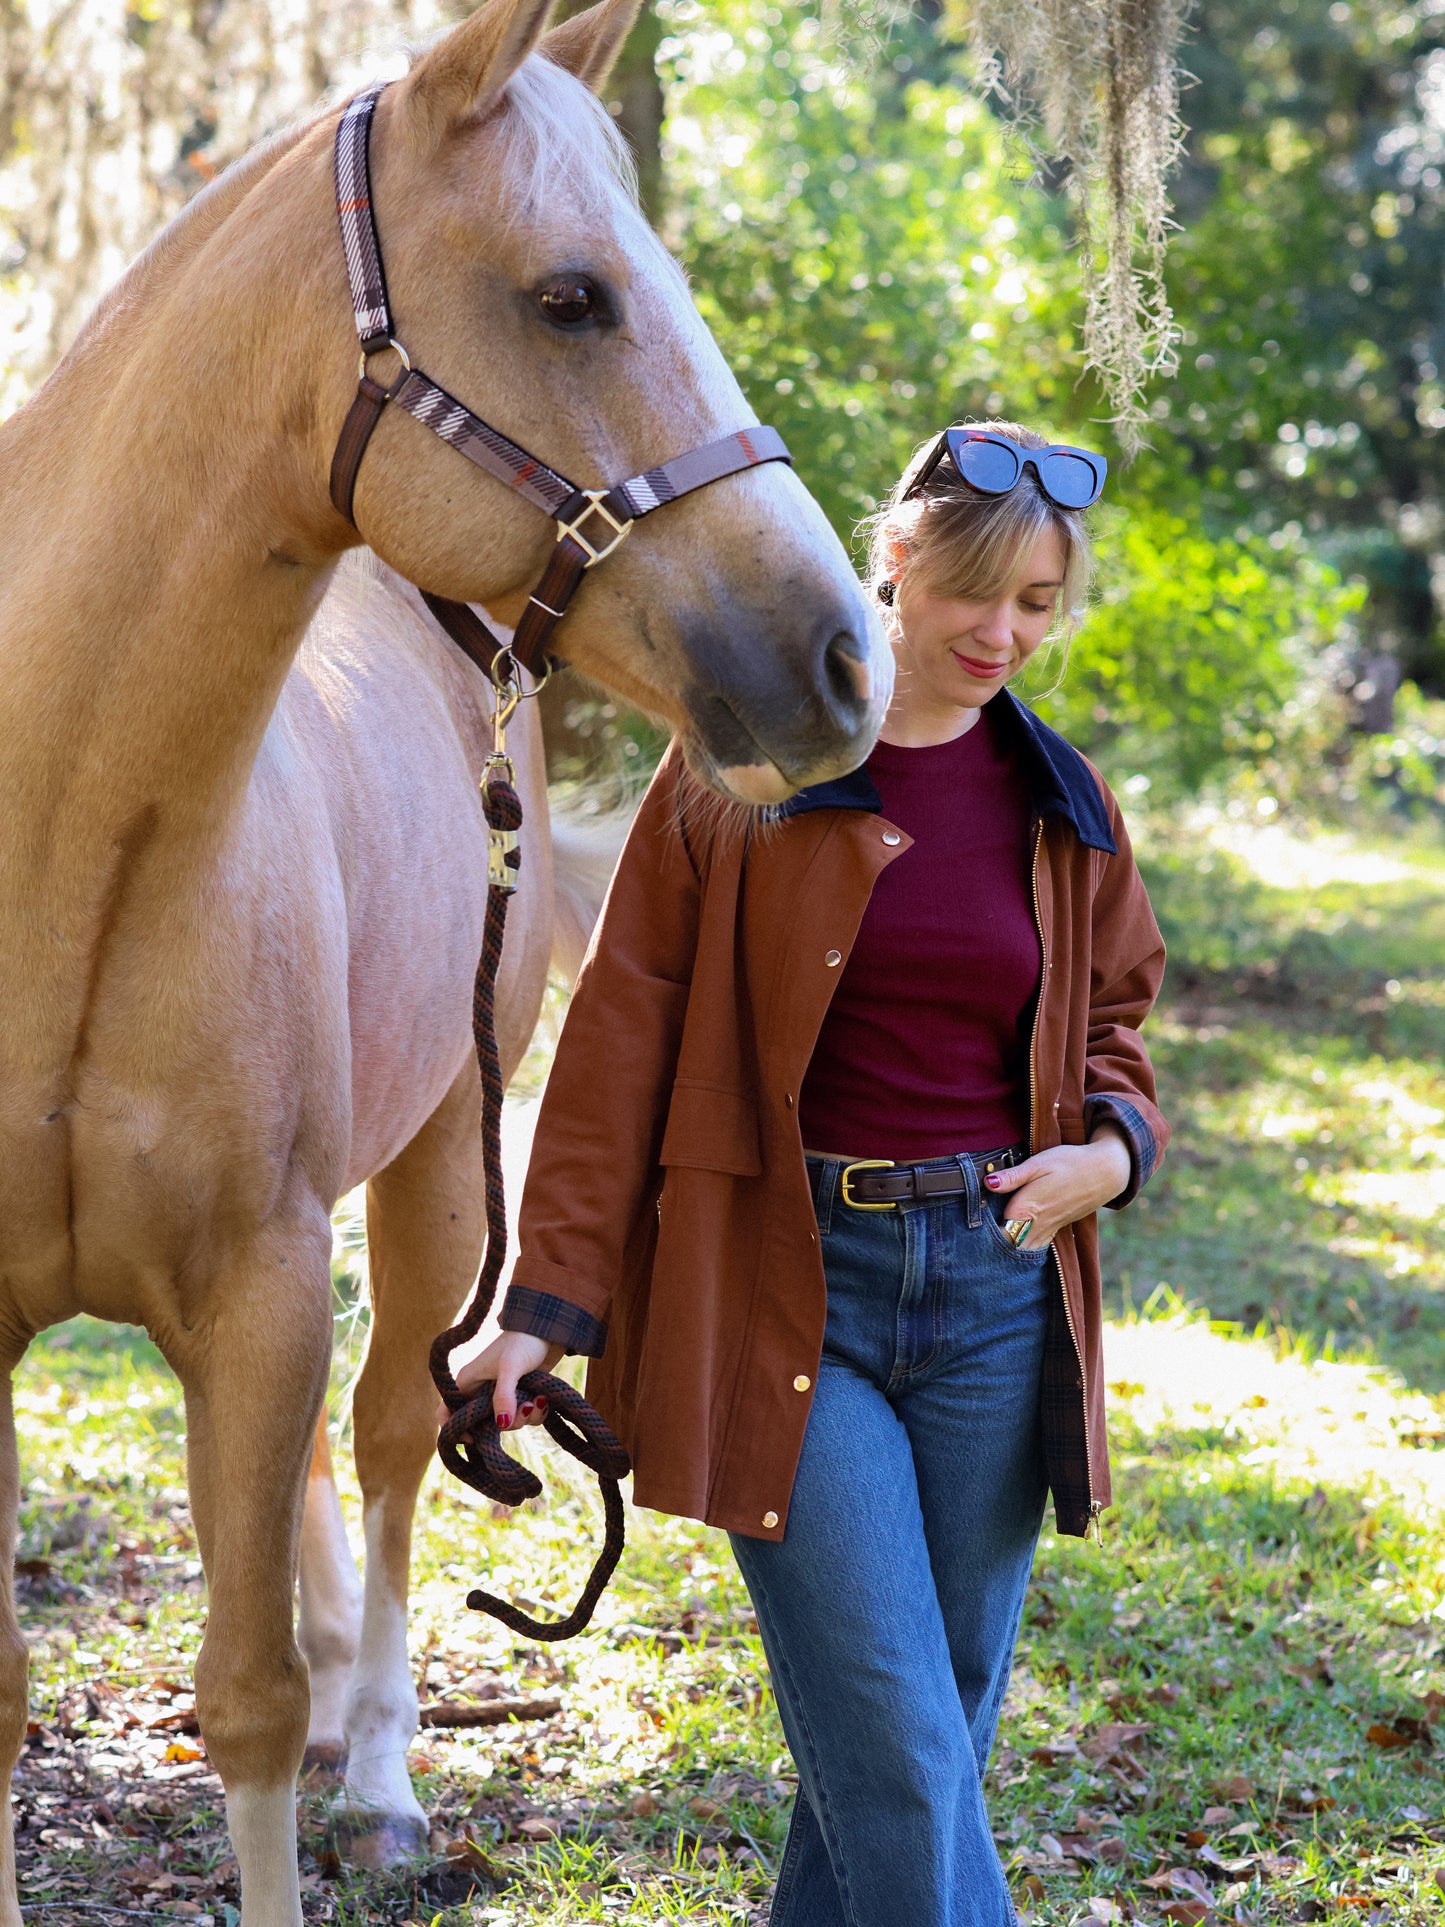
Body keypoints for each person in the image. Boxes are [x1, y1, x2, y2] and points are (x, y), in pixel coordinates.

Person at [457, 421, 1170, 1926]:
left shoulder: (1063, 800)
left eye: (1037, 603)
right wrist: (548, 1299)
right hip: (791, 1296)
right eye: (974, 592)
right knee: (906, 1753)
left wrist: (1105, 1152)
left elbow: (1114, 1020)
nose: (1001, 633)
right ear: (892, 568)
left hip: (994, 1294)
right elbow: (618, 1043)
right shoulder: (741, 776)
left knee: (914, 1739)